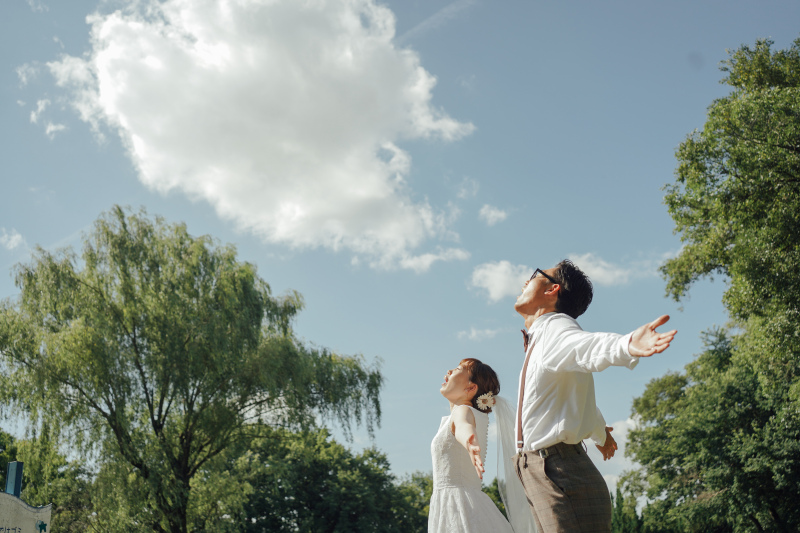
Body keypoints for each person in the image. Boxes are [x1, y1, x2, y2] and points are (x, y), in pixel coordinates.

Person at [513, 259, 677, 533]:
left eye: (533, 275)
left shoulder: (555, 328)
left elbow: (586, 346)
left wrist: (626, 344)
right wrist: (601, 434)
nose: (524, 281)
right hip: (547, 472)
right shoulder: (544, 335)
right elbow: (574, 394)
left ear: (553, 289)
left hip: (559, 473)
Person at [429, 358, 522, 533]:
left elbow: (464, 425)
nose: (449, 371)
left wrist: (469, 441)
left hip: (459, 506)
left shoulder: (463, 410)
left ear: (471, 388)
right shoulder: (462, 414)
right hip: (458, 502)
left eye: (457, 369)